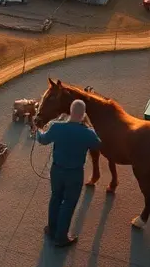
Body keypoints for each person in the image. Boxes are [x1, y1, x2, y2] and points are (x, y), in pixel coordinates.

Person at [36, 99, 101, 247]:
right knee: (69, 203)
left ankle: (51, 229)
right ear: (83, 114)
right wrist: (88, 125)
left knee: (55, 198)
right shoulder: (88, 133)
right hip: (74, 173)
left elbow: (43, 140)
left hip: (57, 170)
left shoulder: (56, 127)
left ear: (70, 111)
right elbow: (98, 144)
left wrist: (37, 131)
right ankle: (61, 238)